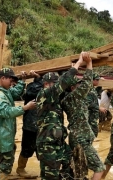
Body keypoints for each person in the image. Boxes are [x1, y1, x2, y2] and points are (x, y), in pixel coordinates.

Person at [35, 52, 86, 180]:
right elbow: (63, 82)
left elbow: (70, 87)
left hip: (58, 142)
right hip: (47, 144)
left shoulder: (55, 98)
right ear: (47, 84)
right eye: (54, 83)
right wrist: (78, 63)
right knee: (49, 176)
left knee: (69, 161)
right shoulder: (44, 94)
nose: (58, 86)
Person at [61, 54, 104, 180]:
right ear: (73, 87)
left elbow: (88, 88)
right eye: (78, 85)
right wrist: (89, 63)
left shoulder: (69, 100)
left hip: (77, 137)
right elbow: (87, 84)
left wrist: (73, 69)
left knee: (79, 171)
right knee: (99, 167)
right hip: (81, 139)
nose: (81, 87)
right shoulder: (74, 97)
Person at [16, 70, 43, 178]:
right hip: (33, 126)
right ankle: (21, 168)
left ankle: (21, 168)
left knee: (30, 149)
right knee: (33, 149)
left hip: (30, 126)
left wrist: (37, 78)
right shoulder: (37, 93)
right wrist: (38, 78)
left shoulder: (29, 92)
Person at [87, 73, 101, 137]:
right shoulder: (89, 90)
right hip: (90, 116)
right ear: (92, 80)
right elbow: (88, 103)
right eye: (97, 80)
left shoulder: (93, 89)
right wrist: (99, 108)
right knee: (93, 133)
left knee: (93, 133)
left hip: (93, 116)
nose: (98, 81)